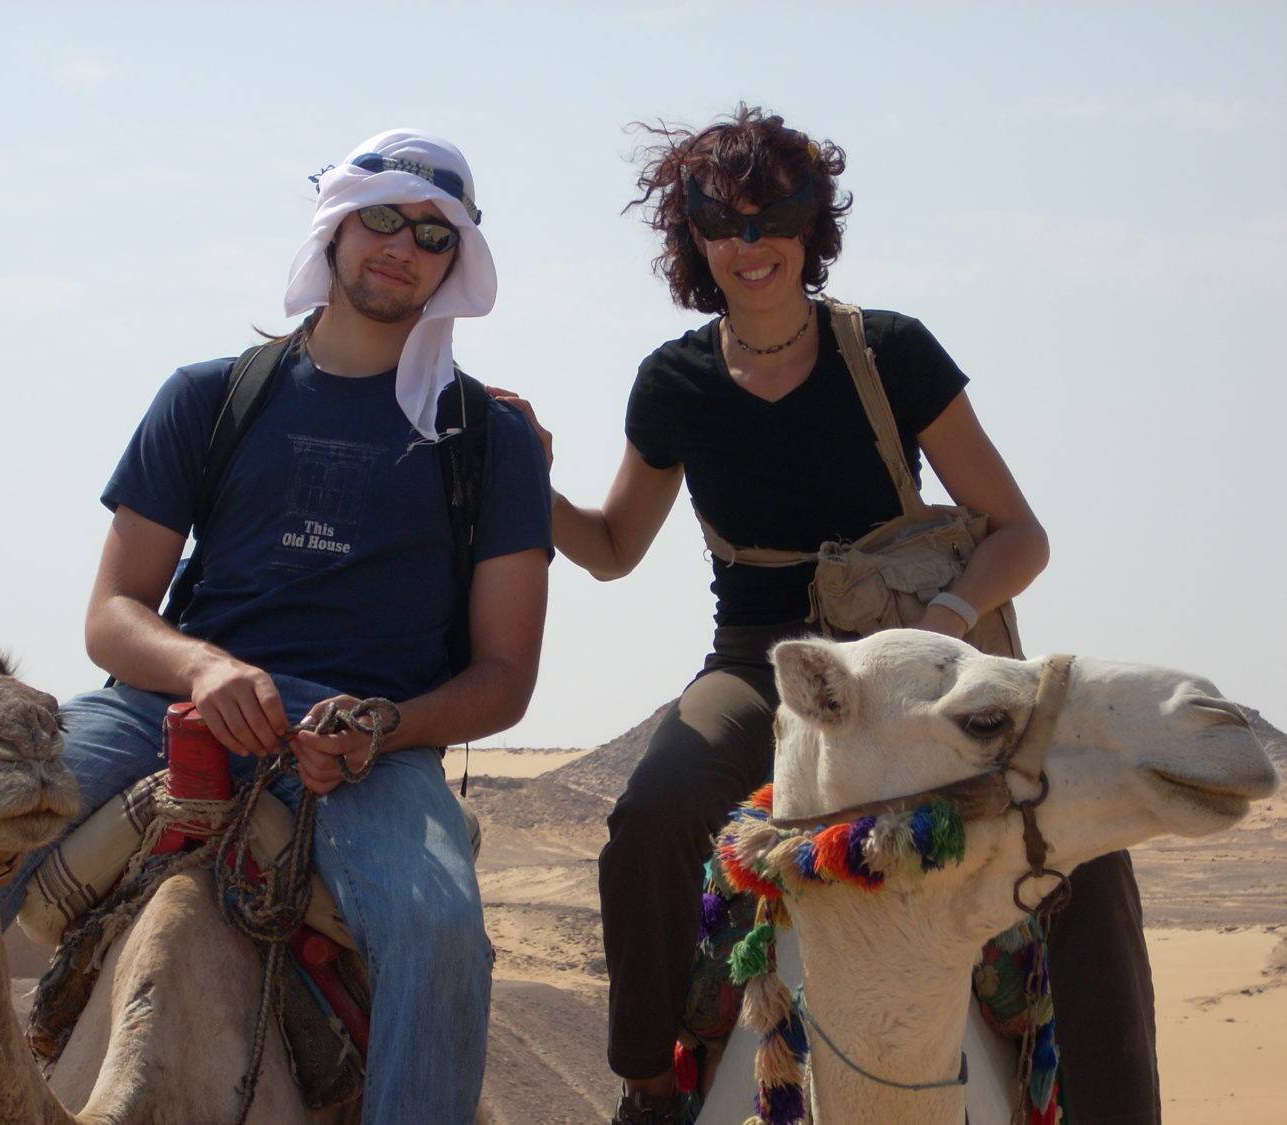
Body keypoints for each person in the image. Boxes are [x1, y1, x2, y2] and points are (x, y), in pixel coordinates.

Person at [0, 127, 552, 1125]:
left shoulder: (489, 439)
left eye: (433, 233)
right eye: (383, 218)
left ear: (454, 263)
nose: (403, 246)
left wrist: (383, 727)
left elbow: (505, 675)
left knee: (441, 930)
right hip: (163, 714)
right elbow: (114, 617)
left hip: (372, 754)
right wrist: (204, 670)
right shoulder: (211, 398)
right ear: (335, 228)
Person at [494, 105, 1158, 1124]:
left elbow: (1020, 533)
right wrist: (528, 479)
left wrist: (947, 614)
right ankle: (644, 1088)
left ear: (811, 228)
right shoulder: (674, 382)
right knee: (649, 819)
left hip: (913, 664)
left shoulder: (891, 352)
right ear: (694, 241)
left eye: (773, 218)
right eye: (724, 223)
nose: (750, 246)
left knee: (1089, 832)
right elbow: (615, 549)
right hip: (760, 666)